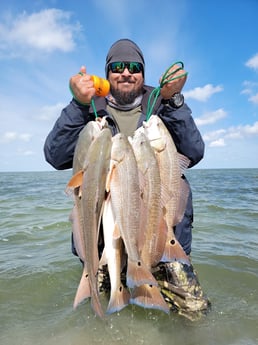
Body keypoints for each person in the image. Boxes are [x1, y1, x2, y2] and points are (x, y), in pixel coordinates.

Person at [44, 39, 208, 314]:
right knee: (98, 322)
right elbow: (55, 156)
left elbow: (194, 151)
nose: (126, 73)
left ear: (143, 73)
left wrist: (175, 101)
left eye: (134, 67)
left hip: (161, 241)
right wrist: (76, 105)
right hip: (106, 242)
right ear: (107, 73)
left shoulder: (161, 103)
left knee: (194, 314)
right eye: (117, 67)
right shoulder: (90, 109)